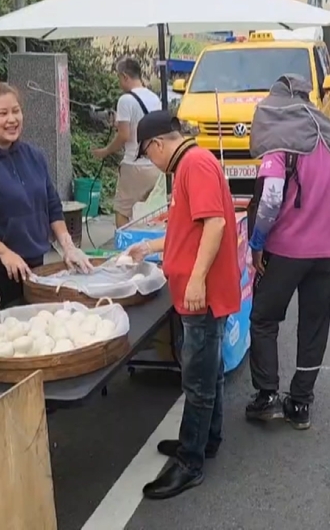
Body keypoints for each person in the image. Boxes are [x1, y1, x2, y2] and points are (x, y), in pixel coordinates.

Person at [125, 111, 241, 500]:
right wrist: (154, 246)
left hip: (202, 293)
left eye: (148, 154)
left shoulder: (195, 164)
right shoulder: (193, 164)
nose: (152, 162)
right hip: (200, 288)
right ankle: (207, 440)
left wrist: (195, 279)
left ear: (157, 144)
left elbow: (214, 224)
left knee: (198, 377)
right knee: (210, 372)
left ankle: (191, 462)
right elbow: (187, 227)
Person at [243, 74, 330, 429]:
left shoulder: (281, 144)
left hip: (287, 249)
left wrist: (257, 243)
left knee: (263, 318)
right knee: (314, 324)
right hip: (328, 251)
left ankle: (268, 395)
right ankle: (301, 402)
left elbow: (271, 197)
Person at [0, 79, 92, 316]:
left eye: (16, 111)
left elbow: (52, 204)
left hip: (33, 264)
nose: (12, 119)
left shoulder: (33, 155)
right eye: (3, 113)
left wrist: (68, 246)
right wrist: (4, 252)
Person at [93, 57, 164, 227]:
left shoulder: (125, 100)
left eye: (119, 78)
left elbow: (124, 136)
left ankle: (124, 250)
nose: (119, 82)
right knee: (152, 213)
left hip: (133, 165)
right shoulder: (155, 98)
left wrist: (105, 151)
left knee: (123, 212)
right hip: (155, 165)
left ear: (125, 76)